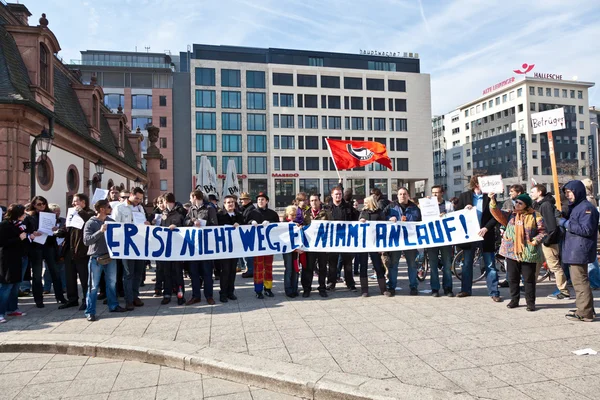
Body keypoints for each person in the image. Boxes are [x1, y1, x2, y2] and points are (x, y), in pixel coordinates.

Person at [489, 192, 546, 311]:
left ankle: (530, 302)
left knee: (529, 279)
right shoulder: (510, 215)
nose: (517, 204)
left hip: (528, 252)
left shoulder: (536, 216)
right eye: (516, 202)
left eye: (520, 203)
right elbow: (496, 212)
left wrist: (534, 241)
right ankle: (514, 300)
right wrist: (492, 200)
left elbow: (543, 232)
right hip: (511, 251)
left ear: (526, 205)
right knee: (513, 278)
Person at [455, 176, 502, 302]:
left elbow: (496, 216)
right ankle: (465, 289)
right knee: (467, 264)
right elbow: (456, 214)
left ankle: (494, 292)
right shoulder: (465, 196)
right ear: (476, 184)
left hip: (485, 235)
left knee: (490, 264)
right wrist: (464, 210)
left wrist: (486, 228)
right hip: (470, 236)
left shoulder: (490, 197)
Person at [559, 180, 598, 322]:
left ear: (577, 191)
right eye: (566, 193)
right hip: (574, 249)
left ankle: (584, 313)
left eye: (570, 192)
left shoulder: (586, 208)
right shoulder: (576, 207)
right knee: (579, 282)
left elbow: (586, 229)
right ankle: (586, 309)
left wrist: (566, 223)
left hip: (580, 249)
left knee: (580, 282)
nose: (568, 195)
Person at [82, 200, 127, 321]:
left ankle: (113, 305)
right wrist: (100, 231)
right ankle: (90, 311)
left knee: (112, 283)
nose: (111, 209)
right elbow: (87, 241)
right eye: (108, 207)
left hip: (110, 257)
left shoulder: (111, 221)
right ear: (102, 209)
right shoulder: (90, 223)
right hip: (96, 257)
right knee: (93, 286)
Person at [26, 196, 67, 308]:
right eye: (39, 204)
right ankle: (38, 300)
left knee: (55, 271)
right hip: (36, 247)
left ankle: (60, 297)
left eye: (44, 203)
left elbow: (59, 229)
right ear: (33, 204)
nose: (42, 206)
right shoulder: (30, 217)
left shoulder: (50, 215)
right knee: (37, 274)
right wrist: (32, 233)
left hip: (49, 245)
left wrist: (55, 229)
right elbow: (26, 231)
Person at [112, 187, 148, 310]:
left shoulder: (140, 208)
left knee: (138, 272)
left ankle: (135, 296)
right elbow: (115, 226)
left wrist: (146, 224)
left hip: (140, 245)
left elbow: (143, 223)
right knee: (128, 274)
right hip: (126, 245)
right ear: (131, 195)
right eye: (137, 198)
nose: (138, 201)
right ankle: (128, 299)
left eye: (140, 199)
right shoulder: (119, 208)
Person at [530, 185, 568, 299]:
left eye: (533, 191)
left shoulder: (545, 205)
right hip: (542, 240)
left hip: (548, 241)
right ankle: (530, 286)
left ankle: (564, 291)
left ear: (540, 192)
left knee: (554, 266)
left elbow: (551, 225)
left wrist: (547, 240)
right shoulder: (539, 204)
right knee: (536, 264)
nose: (531, 193)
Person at [382, 187, 421, 296]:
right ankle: (392, 287)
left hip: (410, 240)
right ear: (397, 196)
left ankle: (413, 287)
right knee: (393, 264)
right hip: (396, 240)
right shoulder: (391, 207)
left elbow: (421, 221)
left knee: (412, 264)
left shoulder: (415, 208)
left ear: (408, 195)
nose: (402, 196)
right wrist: (389, 220)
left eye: (404, 194)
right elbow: (381, 219)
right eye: (400, 194)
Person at [185, 190, 218, 305]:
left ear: (194, 197)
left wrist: (204, 224)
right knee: (193, 272)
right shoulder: (191, 209)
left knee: (207, 272)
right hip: (194, 245)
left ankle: (209, 296)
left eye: (190, 197)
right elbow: (185, 222)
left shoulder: (209, 208)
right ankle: (196, 296)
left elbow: (215, 224)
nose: (189, 200)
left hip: (206, 245)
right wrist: (192, 221)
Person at [246, 193, 280, 299]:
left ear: (267, 201)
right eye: (259, 199)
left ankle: (268, 288)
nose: (260, 201)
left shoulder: (273, 213)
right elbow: (245, 222)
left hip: (269, 245)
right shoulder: (252, 213)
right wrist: (251, 222)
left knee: (268, 267)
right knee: (258, 268)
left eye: (262, 199)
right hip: (257, 246)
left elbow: (278, 226)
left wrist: (270, 223)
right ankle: (258, 290)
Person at [0, 204, 29, 323]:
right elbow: (2, 242)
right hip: (7, 259)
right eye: (23, 213)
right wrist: (19, 238)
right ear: (17, 214)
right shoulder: (4, 225)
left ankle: (12, 308)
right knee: (7, 286)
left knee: (16, 284)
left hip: (18, 257)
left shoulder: (18, 225)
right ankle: (1, 312)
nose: (25, 215)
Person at [325, 186, 357, 291]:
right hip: (332, 241)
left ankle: (350, 283)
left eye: (340, 194)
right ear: (332, 195)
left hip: (346, 240)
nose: (338, 196)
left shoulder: (348, 207)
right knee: (332, 264)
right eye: (336, 194)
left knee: (348, 264)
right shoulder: (327, 208)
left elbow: (357, 218)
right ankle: (331, 283)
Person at [427, 186, 455, 297]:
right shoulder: (428, 205)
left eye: (437, 193)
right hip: (432, 239)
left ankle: (448, 288)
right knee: (433, 265)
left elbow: (453, 219)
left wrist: (446, 216)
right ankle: (435, 288)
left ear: (442, 193)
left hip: (445, 239)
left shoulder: (448, 205)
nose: (434, 195)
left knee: (447, 265)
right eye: (433, 193)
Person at [160, 193, 187, 305]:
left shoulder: (179, 213)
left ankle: (180, 294)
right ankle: (167, 294)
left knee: (177, 272)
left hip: (176, 247)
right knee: (166, 272)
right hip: (165, 247)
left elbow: (185, 227)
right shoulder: (162, 214)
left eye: (164, 202)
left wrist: (176, 227)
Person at [302, 194, 331, 298]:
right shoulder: (305, 213)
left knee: (323, 267)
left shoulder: (326, 213)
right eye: (312, 200)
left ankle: (322, 287)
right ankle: (307, 289)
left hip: (322, 245)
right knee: (309, 268)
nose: (314, 202)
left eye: (315, 200)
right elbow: (302, 226)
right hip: (310, 245)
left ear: (319, 201)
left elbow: (332, 226)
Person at [216, 195, 244, 303]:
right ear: (224, 204)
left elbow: (245, 226)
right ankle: (223, 293)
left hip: (235, 247)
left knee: (233, 270)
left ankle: (230, 291)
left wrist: (239, 224)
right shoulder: (219, 215)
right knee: (225, 271)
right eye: (228, 202)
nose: (231, 204)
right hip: (224, 247)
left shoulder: (239, 215)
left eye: (232, 202)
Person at [358, 196, 387, 297]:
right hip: (364, 244)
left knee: (378, 265)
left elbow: (384, 227)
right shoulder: (363, 212)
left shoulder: (379, 213)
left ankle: (383, 289)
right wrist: (360, 222)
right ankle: (364, 290)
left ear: (371, 202)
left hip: (375, 243)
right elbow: (358, 226)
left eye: (366, 202)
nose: (364, 204)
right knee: (363, 266)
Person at [43, 203, 67, 295]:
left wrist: (59, 229)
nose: (57, 213)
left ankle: (64, 287)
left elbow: (65, 230)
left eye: (58, 211)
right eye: (55, 211)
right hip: (50, 246)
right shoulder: (46, 221)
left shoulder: (63, 221)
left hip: (61, 246)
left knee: (62, 268)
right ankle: (46, 287)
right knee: (48, 269)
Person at [581, 178, 600, 290]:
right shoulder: (591, 198)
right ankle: (595, 281)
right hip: (592, 231)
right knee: (592, 259)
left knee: (591, 260)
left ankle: (595, 282)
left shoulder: (587, 200)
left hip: (589, 232)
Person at [239, 192, 256, 278]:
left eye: (244, 199)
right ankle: (248, 268)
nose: (242, 201)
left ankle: (250, 270)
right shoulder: (244, 208)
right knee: (246, 253)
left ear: (248, 200)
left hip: (248, 232)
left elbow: (246, 219)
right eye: (241, 199)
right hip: (244, 231)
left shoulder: (251, 209)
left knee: (248, 253)